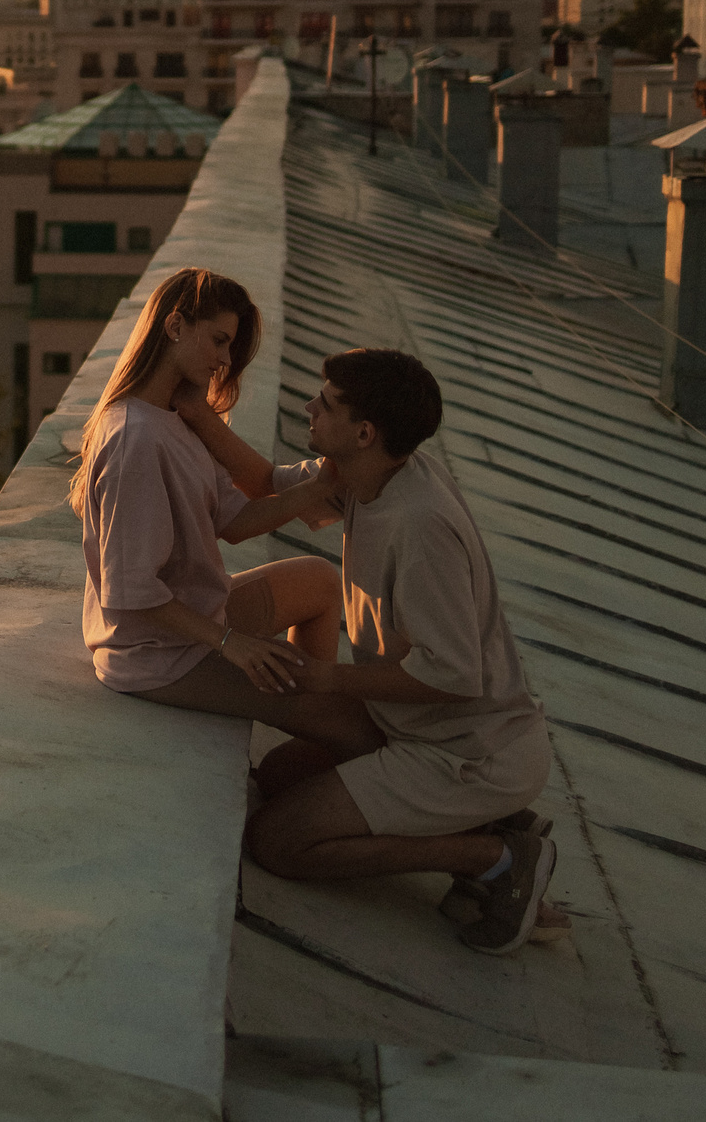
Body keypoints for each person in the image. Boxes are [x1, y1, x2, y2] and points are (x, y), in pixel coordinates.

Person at [197, 347, 557, 957]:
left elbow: (453, 675)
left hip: (468, 751)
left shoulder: (420, 527)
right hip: (416, 727)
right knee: (279, 777)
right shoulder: (365, 475)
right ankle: (484, 824)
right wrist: (193, 410)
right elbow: (264, 487)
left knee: (278, 842)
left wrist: (326, 678)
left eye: (326, 403)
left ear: (364, 432)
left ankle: (493, 855)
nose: (310, 407)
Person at [74, 268, 381, 764]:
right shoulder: (136, 438)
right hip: (157, 655)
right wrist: (230, 644)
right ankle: (468, 810)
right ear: (174, 326)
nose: (223, 360)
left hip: (196, 617)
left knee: (321, 580)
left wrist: (320, 487)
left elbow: (235, 521)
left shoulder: (174, 419)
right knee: (349, 717)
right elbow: (130, 590)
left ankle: (306, 736)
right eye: (219, 341)